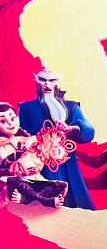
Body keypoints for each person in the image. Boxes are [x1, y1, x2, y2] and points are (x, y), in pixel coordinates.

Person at [17, 66, 96, 209]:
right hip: (39, 165)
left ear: (57, 82)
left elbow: (89, 132)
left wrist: (70, 128)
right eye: (43, 80)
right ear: (36, 81)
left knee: (75, 204)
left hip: (67, 165)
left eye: (52, 80)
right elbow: (18, 136)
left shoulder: (71, 107)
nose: (47, 84)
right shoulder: (26, 108)